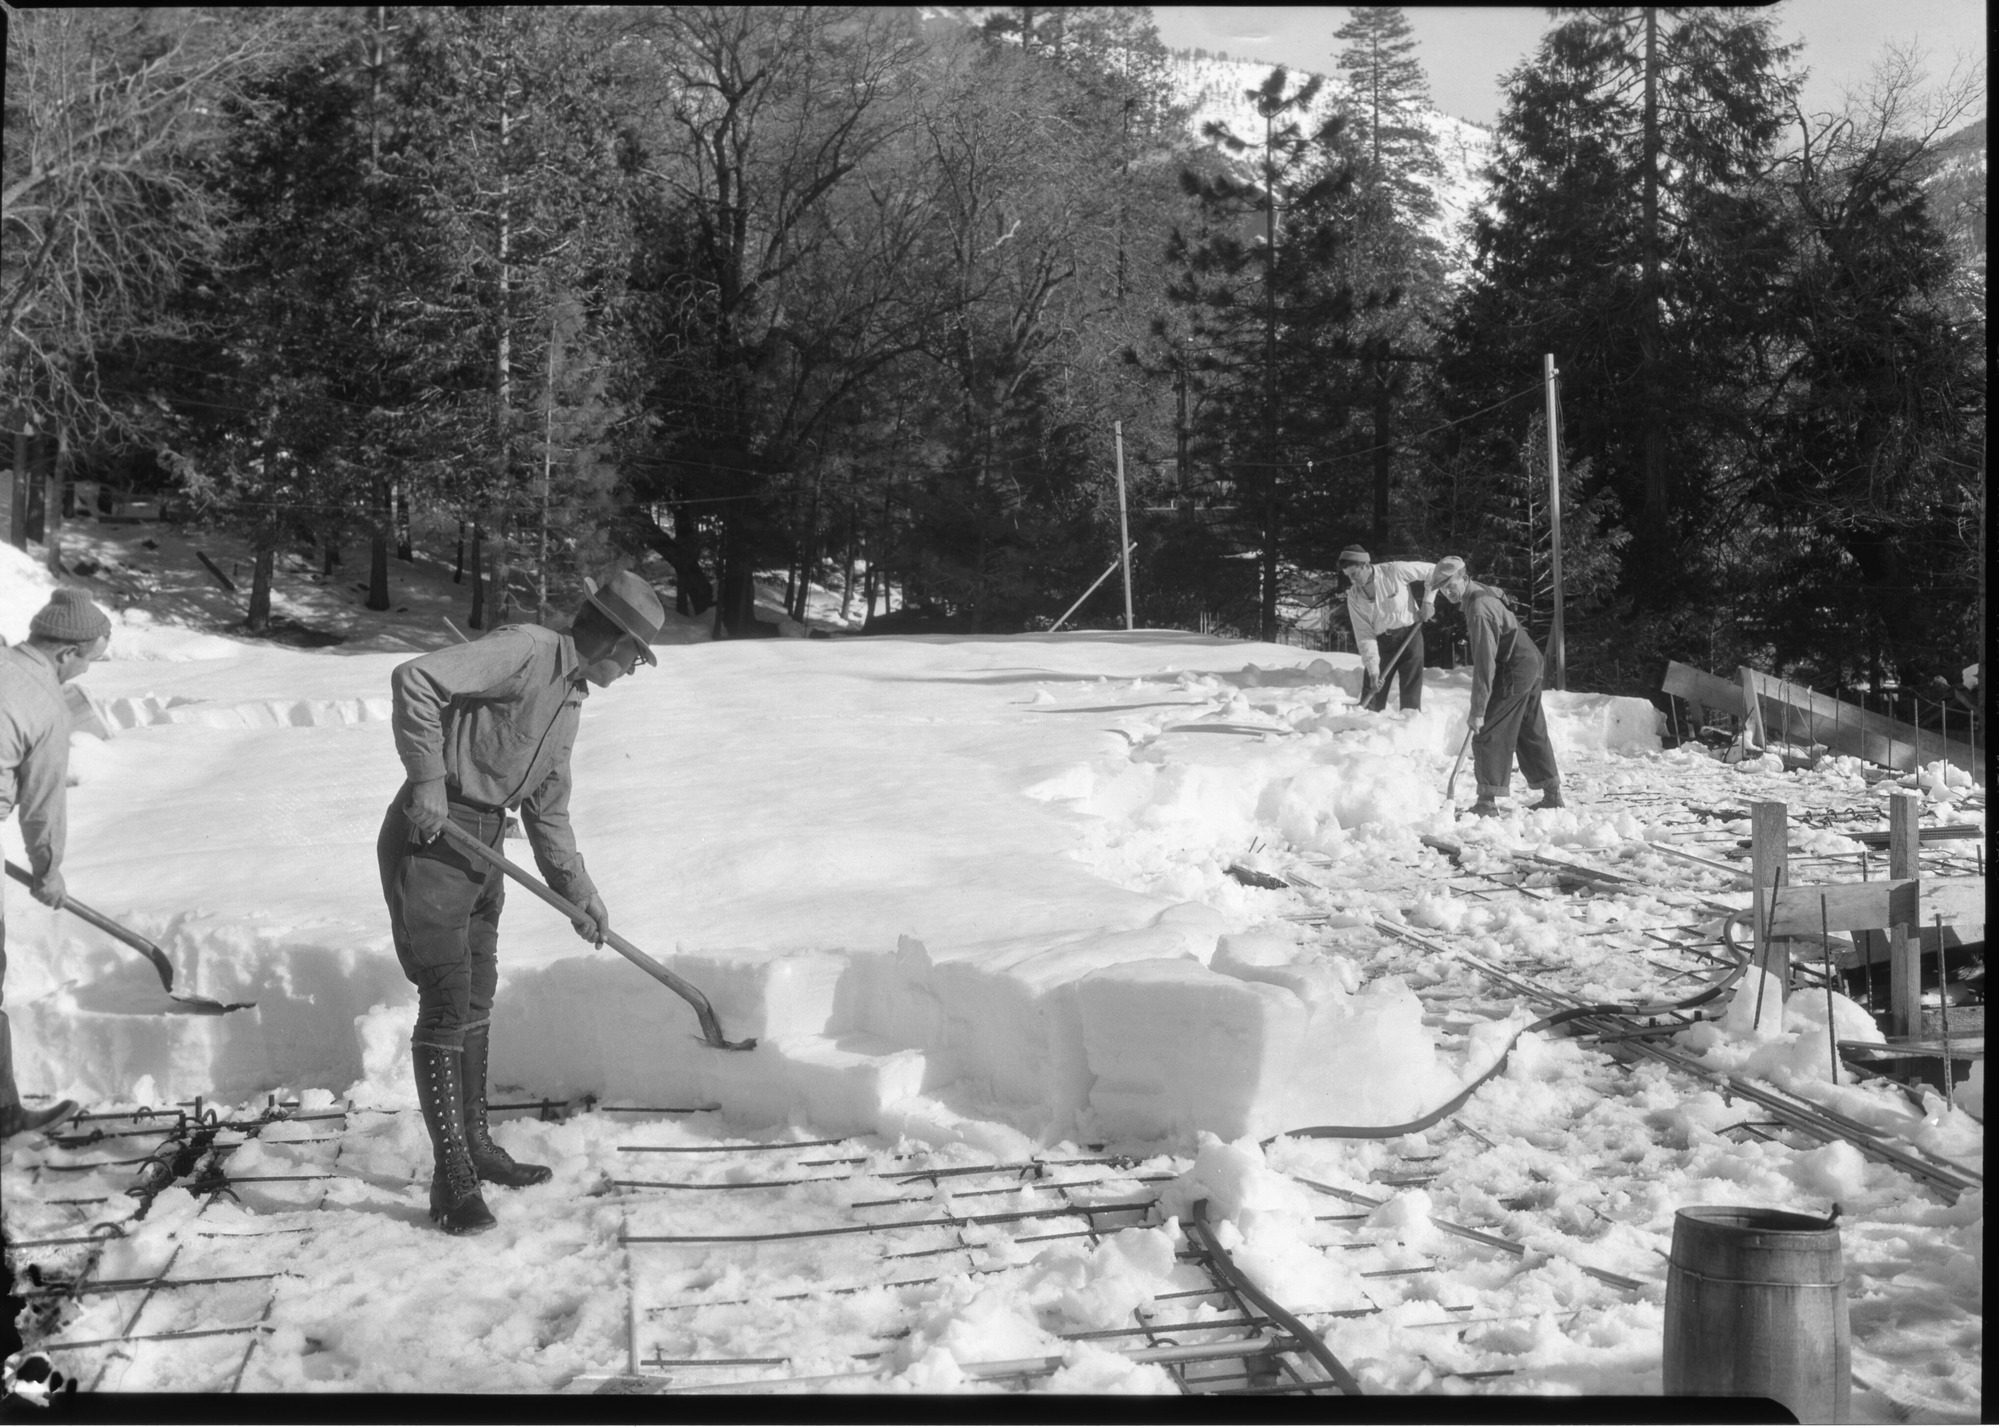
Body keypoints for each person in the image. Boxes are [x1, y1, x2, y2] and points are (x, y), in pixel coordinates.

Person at [380, 571, 666, 1234]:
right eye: (636, 657)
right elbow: (416, 678)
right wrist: (426, 776)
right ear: (614, 641)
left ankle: (475, 1145)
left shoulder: (567, 701)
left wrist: (580, 894)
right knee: (447, 998)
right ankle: (450, 1177)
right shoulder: (528, 649)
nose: (631, 670)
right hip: (432, 836)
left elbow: (548, 810)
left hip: (484, 850)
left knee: (476, 993)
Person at [0, 589, 114, 1138]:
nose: (84, 673)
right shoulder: (45, 701)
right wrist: (48, 871)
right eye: (91, 659)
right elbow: (42, 806)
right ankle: (2, 1116)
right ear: (68, 653)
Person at [1426, 556, 1563, 817]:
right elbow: (1501, 596)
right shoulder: (1479, 591)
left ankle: (1486, 803)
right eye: (1442, 588)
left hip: (1515, 666)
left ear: (1464, 578)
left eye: (1450, 584)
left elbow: (1485, 664)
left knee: (1489, 729)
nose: (1447, 591)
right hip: (1530, 660)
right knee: (1529, 727)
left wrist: (1478, 710)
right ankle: (1552, 795)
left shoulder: (1478, 609)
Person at [1338, 546, 1436, 711]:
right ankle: (1367, 731)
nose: (1352, 581)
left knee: (1411, 697)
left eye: (1354, 574)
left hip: (1410, 636)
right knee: (1372, 695)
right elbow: (1364, 635)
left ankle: (1408, 728)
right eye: (1348, 576)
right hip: (1381, 643)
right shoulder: (1354, 596)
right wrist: (1373, 670)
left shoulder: (1394, 571)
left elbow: (1434, 571)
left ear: (1366, 565)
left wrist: (1428, 602)